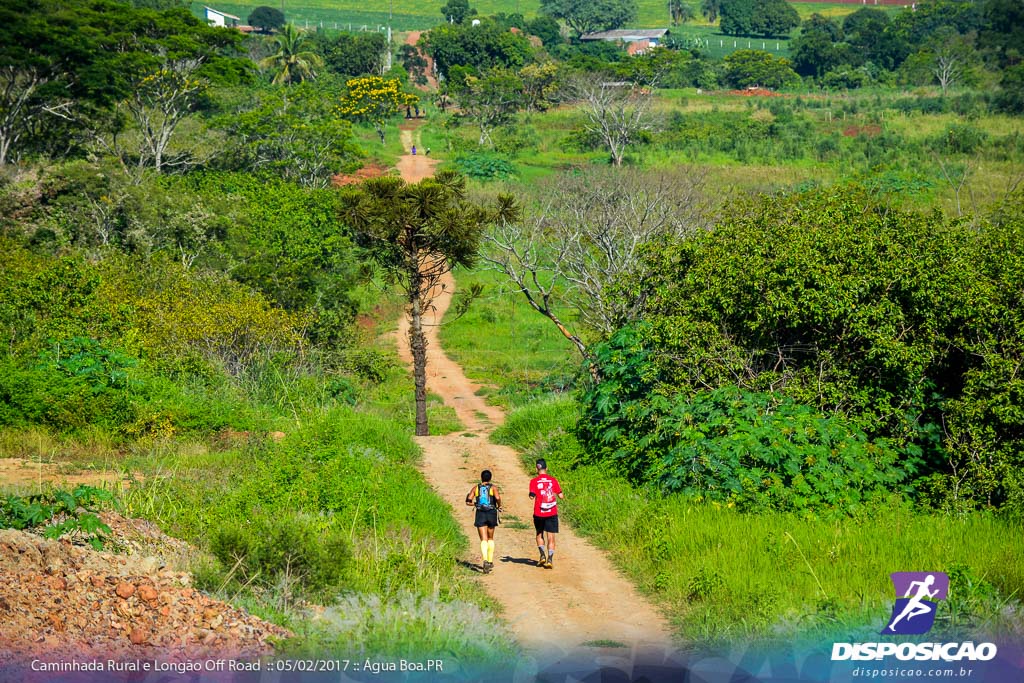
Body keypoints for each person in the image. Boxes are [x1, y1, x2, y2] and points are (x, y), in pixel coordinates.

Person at [528, 458, 563, 569]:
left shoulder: (533, 481)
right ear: (546, 468)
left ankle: (542, 555)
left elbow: (531, 496)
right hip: (551, 512)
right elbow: (561, 496)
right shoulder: (553, 480)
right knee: (551, 536)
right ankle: (550, 559)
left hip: (539, 512)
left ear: (536, 469)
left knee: (539, 534)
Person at [465, 470, 502, 573]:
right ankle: (490, 561)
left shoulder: (476, 488)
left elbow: (468, 501)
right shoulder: (493, 488)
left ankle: (485, 560)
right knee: (490, 537)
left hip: (480, 513)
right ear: (490, 478)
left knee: (483, 539)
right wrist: (499, 505)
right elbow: (498, 497)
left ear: (481, 478)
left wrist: (475, 505)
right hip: (491, 513)